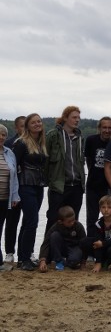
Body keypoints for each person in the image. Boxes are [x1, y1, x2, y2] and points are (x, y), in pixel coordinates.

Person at [13, 113, 48, 271]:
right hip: (25, 185)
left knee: (28, 222)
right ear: (27, 126)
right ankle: (25, 258)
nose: (37, 124)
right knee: (32, 222)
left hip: (38, 186)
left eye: (39, 121)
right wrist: (14, 190)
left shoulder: (40, 143)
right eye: (33, 122)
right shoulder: (21, 143)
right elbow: (14, 166)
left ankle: (23, 257)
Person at [45, 105, 85, 233]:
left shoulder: (79, 138)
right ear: (65, 118)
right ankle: (47, 251)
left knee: (73, 222)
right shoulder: (53, 135)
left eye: (78, 117)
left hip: (77, 186)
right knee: (53, 220)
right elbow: (45, 160)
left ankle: (70, 250)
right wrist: (49, 181)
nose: (77, 120)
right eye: (74, 117)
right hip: (59, 186)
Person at [84, 117, 111, 238]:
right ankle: (91, 248)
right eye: (104, 127)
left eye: (110, 128)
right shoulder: (91, 140)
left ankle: (107, 247)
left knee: (109, 218)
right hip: (93, 185)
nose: (107, 130)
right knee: (92, 218)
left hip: (109, 187)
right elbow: (88, 160)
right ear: (99, 128)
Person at [81, 195, 111, 272]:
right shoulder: (98, 223)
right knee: (84, 241)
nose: (106, 210)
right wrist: (97, 262)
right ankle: (101, 262)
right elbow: (97, 242)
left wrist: (103, 243)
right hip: (104, 246)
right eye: (103, 207)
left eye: (109, 207)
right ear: (100, 209)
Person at [2, 116, 24, 265]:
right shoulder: (11, 145)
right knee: (10, 223)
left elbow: (14, 174)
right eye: (22, 126)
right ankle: (8, 252)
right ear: (16, 128)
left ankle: (24, 252)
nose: (1, 137)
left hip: (18, 191)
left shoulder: (9, 152)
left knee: (26, 222)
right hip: (7, 192)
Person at [37, 206, 86, 272]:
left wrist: (83, 263)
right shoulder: (55, 227)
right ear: (60, 222)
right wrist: (42, 261)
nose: (72, 222)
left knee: (74, 261)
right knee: (54, 235)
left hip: (74, 247)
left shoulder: (78, 226)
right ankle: (58, 261)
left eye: (73, 220)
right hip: (61, 247)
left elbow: (85, 243)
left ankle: (66, 262)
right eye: (69, 221)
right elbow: (46, 243)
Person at [0, 124, 20, 271]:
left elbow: (14, 178)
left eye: (3, 135)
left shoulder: (9, 153)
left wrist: (15, 196)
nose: (1, 137)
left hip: (5, 198)